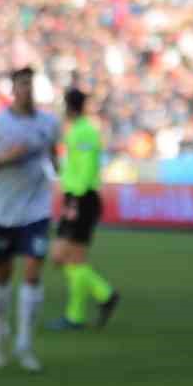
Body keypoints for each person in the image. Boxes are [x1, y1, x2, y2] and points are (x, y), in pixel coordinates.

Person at [0, 67, 59, 371]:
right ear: (13, 90)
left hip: (37, 210)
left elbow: (54, 158)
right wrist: (3, 158)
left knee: (33, 273)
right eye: (23, 85)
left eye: (32, 85)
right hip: (2, 212)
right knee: (3, 276)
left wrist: (55, 166)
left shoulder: (49, 123)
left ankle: (25, 344)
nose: (28, 90)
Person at [47, 88, 119, 331]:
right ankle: (98, 298)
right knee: (72, 258)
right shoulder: (77, 131)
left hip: (82, 198)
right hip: (76, 196)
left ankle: (94, 301)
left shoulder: (85, 131)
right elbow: (73, 167)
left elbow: (87, 169)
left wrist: (75, 201)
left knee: (61, 256)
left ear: (69, 106)